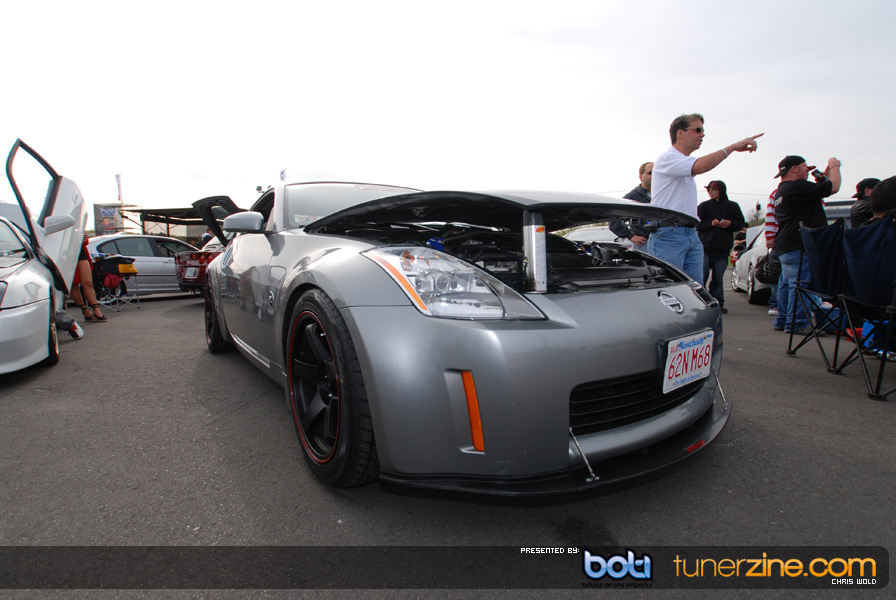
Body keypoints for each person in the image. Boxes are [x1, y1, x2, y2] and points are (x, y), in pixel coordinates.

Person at [649, 113, 762, 281]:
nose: (702, 135)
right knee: (669, 288)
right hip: (669, 234)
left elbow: (699, 165)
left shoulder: (682, 162)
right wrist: (732, 147)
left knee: (694, 290)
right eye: (698, 130)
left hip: (689, 233)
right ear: (680, 133)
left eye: (702, 131)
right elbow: (701, 166)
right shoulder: (668, 158)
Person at [772, 155, 841, 334]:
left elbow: (819, 189)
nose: (807, 171)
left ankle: (783, 319)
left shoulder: (782, 190)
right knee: (802, 284)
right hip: (799, 244)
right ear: (794, 168)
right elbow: (833, 187)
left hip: (786, 243)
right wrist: (835, 166)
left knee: (787, 283)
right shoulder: (797, 187)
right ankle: (798, 323)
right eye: (805, 167)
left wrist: (823, 176)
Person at [697, 181, 745, 313]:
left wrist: (730, 223)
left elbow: (740, 223)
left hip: (722, 249)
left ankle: (718, 303)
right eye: (709, 189)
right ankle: (700, 302)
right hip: (705, 248)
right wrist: (710, 223)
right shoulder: (703, 206)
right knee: (702, 276)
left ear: (721, 191)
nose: (710, 192)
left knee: (718, 277)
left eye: (713, 189)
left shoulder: (733, 206)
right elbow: (696, 223)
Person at [609, 162, 653, 251]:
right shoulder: (632, 197)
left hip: (664, 243)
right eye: (650, 173)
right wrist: (631, 236)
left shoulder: (664, 194)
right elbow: (613, 220)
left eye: (657, 173)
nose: (654, 176)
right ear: (641, 176)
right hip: (645, 244)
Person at [69, 234, 107, 322]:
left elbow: (85, 240)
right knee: (74, 284)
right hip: (65, 252)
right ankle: (84, 309)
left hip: (79, 250)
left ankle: (96, 309)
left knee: (88, 282)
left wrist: (84, 238)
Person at [764, 188, 780, 316]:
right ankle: (775, 303)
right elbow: (770, 215)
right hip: (780, 239)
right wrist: (770, 236)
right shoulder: (776, 193)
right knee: (777, 273)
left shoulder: (809, 189)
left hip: (797, 239)